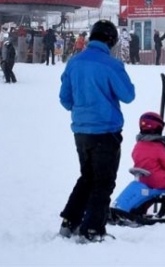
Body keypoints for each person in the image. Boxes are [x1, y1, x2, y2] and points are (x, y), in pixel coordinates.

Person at [58, 20, 136, 242]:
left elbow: (65, 100)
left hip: (81, 132)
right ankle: (92, 230)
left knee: (87, 177)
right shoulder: (111, 65)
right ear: (111, 40)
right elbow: (128, 96)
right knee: (103, 182)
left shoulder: (74, 63)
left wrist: (83, 109)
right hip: (106, 131)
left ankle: (69, 222)